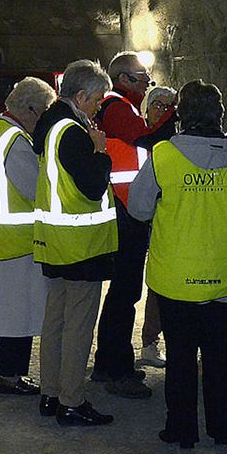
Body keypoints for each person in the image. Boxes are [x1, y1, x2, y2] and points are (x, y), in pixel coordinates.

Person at [126, 80, 227, 448]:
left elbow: (138, 208)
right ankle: (224, 428)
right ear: (219, 115)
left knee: (181, 357)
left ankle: (182, 430)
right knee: (220, 355)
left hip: (176, 277)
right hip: (224, 276)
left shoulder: (164, 156)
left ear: (181, 114)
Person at [33, 60, 118, 427]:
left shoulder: (51, 125)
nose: (99, 106)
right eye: (97, 99)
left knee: (55, 320)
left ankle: (50, 393)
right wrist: (101, 153)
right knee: (79, 326)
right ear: (80, 96)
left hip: (57, 242)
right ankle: (71, 400)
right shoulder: (74, 132)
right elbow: (92, 186)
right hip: (81, 245)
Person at [89, 51, 162, 398]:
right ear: (123, 79)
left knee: (123, 293)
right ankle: (116, 370)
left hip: (128, 210)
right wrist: (174, 113)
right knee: (124, 293)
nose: (148, 80)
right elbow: (145, 137)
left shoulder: (121, 106)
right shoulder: (116, 106)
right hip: (124, 213)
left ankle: (109, 361)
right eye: (142, 74)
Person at [0, 77, 59, 396]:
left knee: (17, 313)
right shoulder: (15, 140)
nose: (44, 120)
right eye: (43, 112)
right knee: (21, 315)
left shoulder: (4, 134)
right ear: (29, 109)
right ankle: (8, 376)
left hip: (9, 238)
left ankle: (6, 372)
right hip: (19, 240)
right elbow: (36, 187)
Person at [136, 84, 179, 370]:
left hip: (166, 224)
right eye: (158, 105)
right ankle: (148, 342)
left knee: (161, 287)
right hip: (137, 221)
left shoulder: (176, 145)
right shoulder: (136, 137)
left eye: (169, 107)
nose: (163, 111)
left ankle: (152, 341)